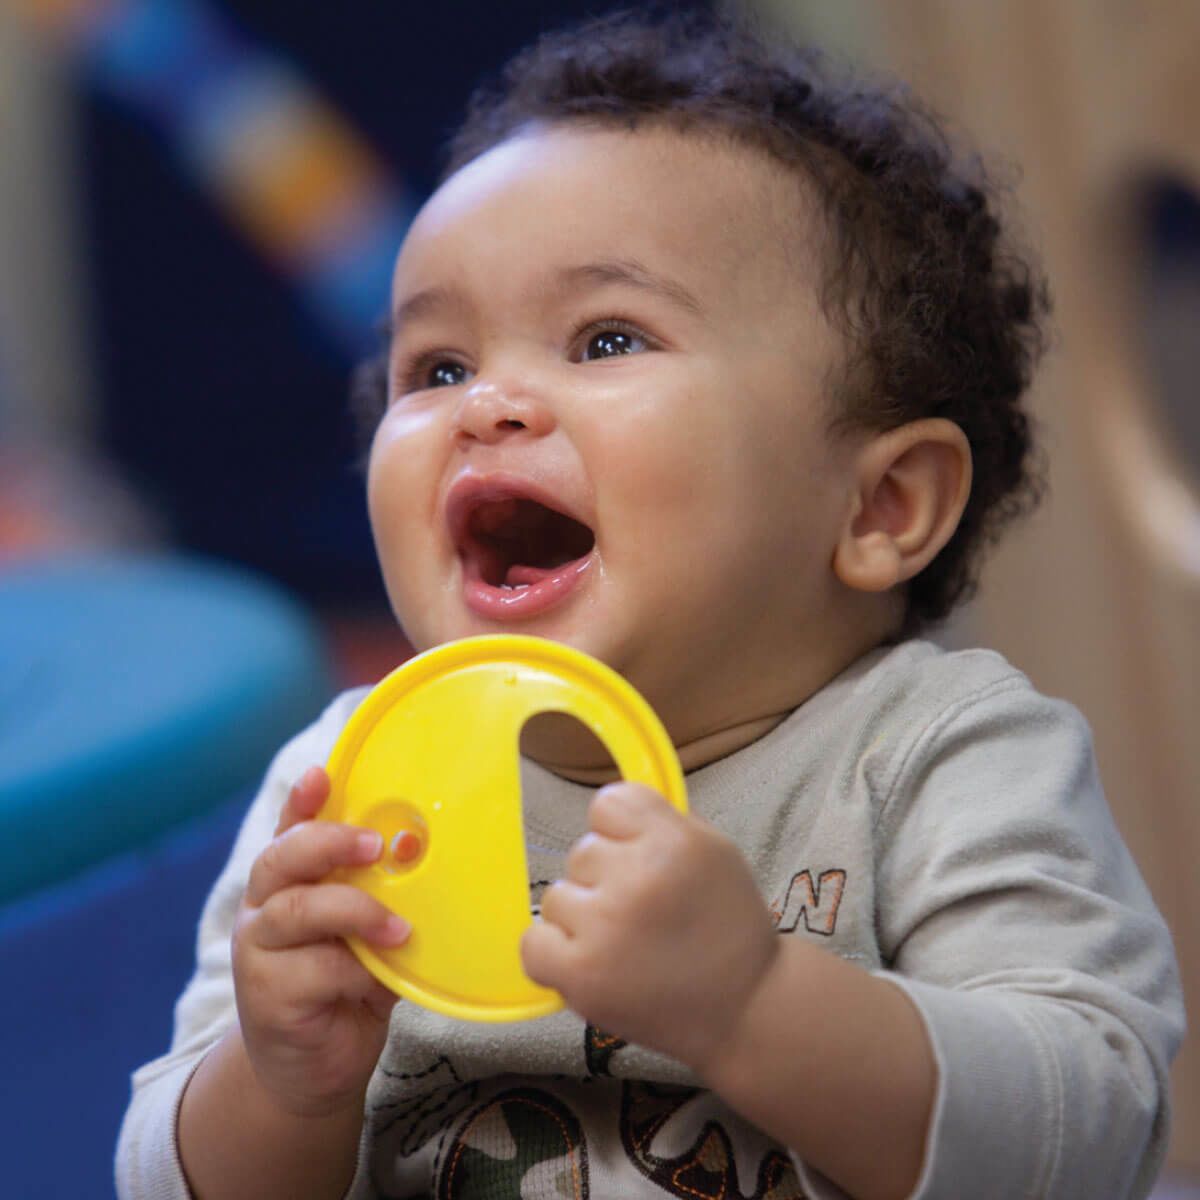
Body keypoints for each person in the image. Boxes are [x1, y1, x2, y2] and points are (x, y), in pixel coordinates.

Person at [116, 11, 1184, 1200]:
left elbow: (1092, 1135)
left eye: (607, 337)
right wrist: (278, 1083)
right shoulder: (346, 781)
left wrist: (754, 1003)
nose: (489, 405)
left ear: (880, 507)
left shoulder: (938, 757)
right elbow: (160, 1182)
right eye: (439, 367)